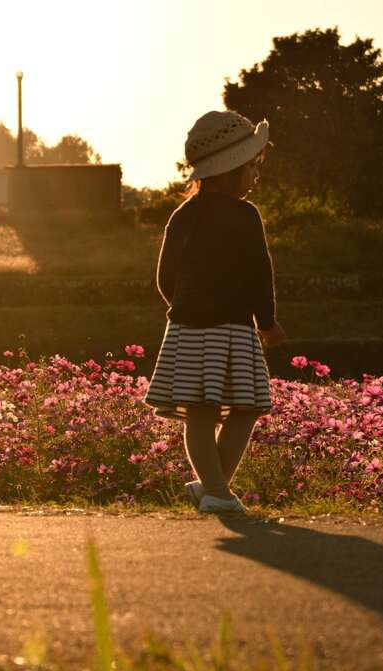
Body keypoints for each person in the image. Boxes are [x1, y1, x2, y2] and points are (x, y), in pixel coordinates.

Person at [142, 110, 288, 514]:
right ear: (229, 171)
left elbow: (165, 278)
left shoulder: (183, 215)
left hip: (188, 327)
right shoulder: (246, 216)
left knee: (200, 413)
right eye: (251, 168)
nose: (256, 176)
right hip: (237, 328)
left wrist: (186, 306)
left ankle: (212, 488)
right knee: (247, 407)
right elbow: (260, 273)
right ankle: (218, 493)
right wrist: (268, 321)